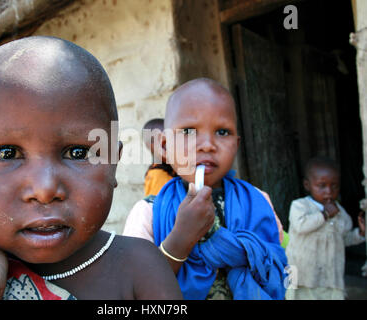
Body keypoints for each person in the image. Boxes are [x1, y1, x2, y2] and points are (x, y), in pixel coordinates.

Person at [0, 36, 182, 300]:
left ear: (114, 162)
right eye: (6, 153)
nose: (44, 190)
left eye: (78, 152)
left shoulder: (140, 268)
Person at [123, 78, 288, 300]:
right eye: (189, 131)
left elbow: (279, 263)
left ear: (235, 145)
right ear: (164, 146)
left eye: (222, 132)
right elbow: (137, 289)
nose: (208, 144)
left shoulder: (258, 200)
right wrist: (181, 238)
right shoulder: (147, 213)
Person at [285, 156, 366, 300]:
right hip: (303, 276)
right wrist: (325, 214)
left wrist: (360, 232)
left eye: (334, 186)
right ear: (307, 185)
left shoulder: (339, 213)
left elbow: (343, 238)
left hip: (330, 278)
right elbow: (301, 226)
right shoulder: (299, 206)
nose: (329, 191)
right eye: (322, 186)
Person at [142, 118, 176, 197]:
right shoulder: (159, 175)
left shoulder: (170, 169)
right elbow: (159, 207)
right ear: (150, 146)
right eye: (165, 144)